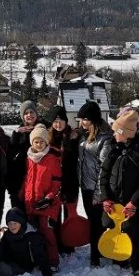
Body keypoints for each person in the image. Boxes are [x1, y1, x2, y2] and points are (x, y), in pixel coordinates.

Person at [98, 109, 139, 276]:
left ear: (125, 133)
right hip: (114, 201)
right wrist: (105, 197)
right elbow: (104, 173)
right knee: (115, 228)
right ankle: (120, 258)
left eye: (117, 131)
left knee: (136, 233)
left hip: (135, 203)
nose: (114, 134)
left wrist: (134, 203)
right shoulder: (115, 147)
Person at [76, 100, 114, 267]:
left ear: (92, 119)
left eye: (84, 119)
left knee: (98, 223)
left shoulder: (105, 139)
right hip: (85, 186)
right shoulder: (83, 136)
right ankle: (98, 251)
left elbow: (104, 168)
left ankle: (95, 256)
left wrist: (99, 194)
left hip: (96, 189)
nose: (81, 122)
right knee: (94, 221)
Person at [22, 124, 63, 267]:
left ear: (46, 143)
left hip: (47, 203)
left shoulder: (52, 159)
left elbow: (57, 183)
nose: (39, 144)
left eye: (42, 142)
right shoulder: (28, 159)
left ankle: (53, 261)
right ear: (31, 142)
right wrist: (22, 197)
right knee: (33, 233)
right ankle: (37, 259)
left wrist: (48, 198)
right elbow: (26, 181)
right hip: (30, 203)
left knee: (47, 232)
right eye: (36, 141)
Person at [0, 208, 53, 276]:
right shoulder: (8, 234)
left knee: (2, 269)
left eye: (15, 223)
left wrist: (47, 275)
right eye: (10, 223)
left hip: (23, 266)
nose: (12, 226)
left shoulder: (32, 236)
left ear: (21, 222)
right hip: (9, 260)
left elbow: (40, 256)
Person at [47, 106, 80, 255]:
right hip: (53, 181)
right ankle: (58, 241)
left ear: (66, 121)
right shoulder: (48, 137)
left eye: (60, 121)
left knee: (69, 212)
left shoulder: (73, 136)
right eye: (55, 121)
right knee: (55, 213)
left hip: (70, 180)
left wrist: (75, 135)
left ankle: (69, 241)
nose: (58, 124)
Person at [6, 100, 40, 208]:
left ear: (36, 114)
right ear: (22, 116)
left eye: (32, 112)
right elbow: (10, 156)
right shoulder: (18, 133)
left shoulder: (44, 129)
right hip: (19, 182)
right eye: (26, 113)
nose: (29, 115)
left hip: (38, 179)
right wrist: (16, 136)